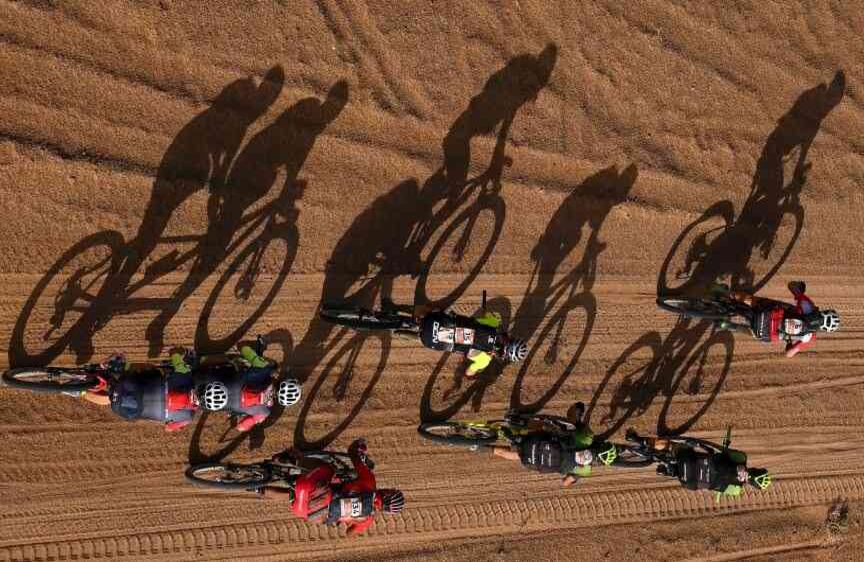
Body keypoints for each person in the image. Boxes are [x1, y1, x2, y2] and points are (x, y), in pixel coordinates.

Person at [258, 438, 405, 536]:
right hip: (310, 514)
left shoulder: (369, 482)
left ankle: (292, 459)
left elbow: (352, 453)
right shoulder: (367, 520)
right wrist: (345, 518)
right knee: (291, 495)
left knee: (326, 468)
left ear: (387, 493)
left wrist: (359, 448)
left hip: (315, 492)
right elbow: (349, 533)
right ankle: (258, 488)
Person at [385, 300, 527, 377]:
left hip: (438, 321)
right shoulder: (485, 359)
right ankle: (395, 332)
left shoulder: (495, 325)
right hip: (433, 341)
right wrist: (472, 373)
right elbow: (468, 372)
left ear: (510, 338)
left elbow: (482, 315)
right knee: (419, 337)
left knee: (428, 309)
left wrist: (485, 313)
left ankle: (396, 307)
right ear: (504, 355)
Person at [486, 405, 617, 486]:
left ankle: (517, 421)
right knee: (515, 455)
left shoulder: (586, 439)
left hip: (540, 441)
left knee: (544, 428)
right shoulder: (585, 470)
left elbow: (574, 423)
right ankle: (482, 448)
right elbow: (565, 483)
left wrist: (577, 415)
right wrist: (574, 478)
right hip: (533, 461)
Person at [626, 429, 772, 498]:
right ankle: (669, 472)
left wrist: (698, 443)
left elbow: (719, 451)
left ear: (757, 469)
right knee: (695, 474)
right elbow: (715, 486)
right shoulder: (735, 491)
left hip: (690, 460)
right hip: (689, 483)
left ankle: (637, 439)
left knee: (673, 446)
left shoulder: (741, 458)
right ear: (753, 485)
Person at [713, 280, 839, 357]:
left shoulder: (808, 306)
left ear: (824, 311)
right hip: (765, 332)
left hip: (768, 313)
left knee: (753, 301)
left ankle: (725, 292)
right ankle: (729, 326)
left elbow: (791, 285)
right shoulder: (810, 337)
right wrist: (789, 346)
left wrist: (799, 289)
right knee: (754, 333)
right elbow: (789, 354)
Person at [191, 345, 302, 432]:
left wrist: (254, 357)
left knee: (232, 364)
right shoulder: (264, 413)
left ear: (283, 381)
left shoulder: (264, 372)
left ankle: (200, 359)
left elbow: (243, 348)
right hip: (203, 404)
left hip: (200, 377)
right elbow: (241, 427)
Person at [82, 352, 198, 432]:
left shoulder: (185, 376)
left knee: (150, 369)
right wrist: (176, 426)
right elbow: (167, 429)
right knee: (111, 399)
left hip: (136, 385)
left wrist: (178, 356)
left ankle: (120, 365)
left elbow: (174, 353)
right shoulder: (187, 418)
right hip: (129, 405)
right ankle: (81, 393)